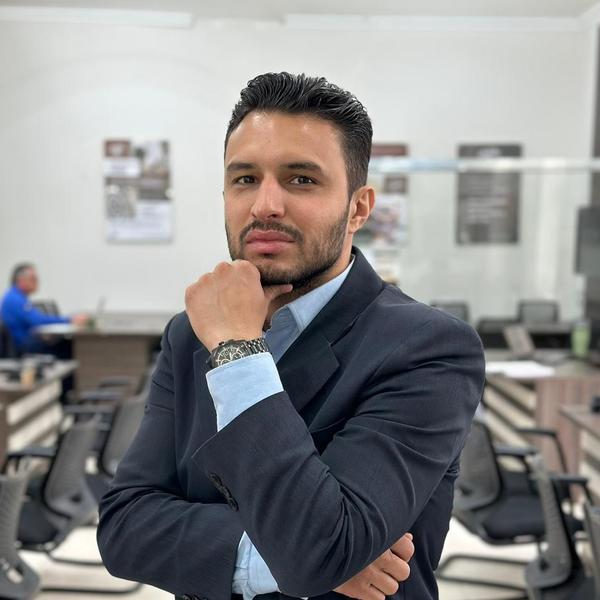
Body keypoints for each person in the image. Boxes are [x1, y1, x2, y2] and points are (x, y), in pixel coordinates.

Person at [97, 73, 485, 600]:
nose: (264, 205)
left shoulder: (428, 348)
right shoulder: (189, 334)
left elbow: (319, 549)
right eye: (244, 178)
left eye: (301, 179)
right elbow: (123, 528)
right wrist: (279, 559)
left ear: (359, 208)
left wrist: (237, 352)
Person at [0, 263, 88, 355]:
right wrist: (69, 320)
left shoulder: (17, 297)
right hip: (24, 345)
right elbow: (37, 321)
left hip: (29, 341)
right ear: (21, 280)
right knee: (70, 346)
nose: (37, 282)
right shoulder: (15, 299)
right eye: (33, 279)